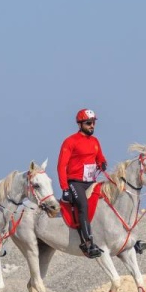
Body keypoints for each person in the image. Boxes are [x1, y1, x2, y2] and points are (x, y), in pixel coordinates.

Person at [57, 109, 107, 258]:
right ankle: (88, 243)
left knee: (110, 199)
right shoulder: (70, 141)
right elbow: (61, 166)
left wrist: (102, 163)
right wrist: (65, 188)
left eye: (93, 123)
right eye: (89, 123)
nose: (92, 126)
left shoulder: (95, 141)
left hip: (91, 181)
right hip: (75, 182)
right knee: (83, 206)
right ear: (80, 124)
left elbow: (100, 158)